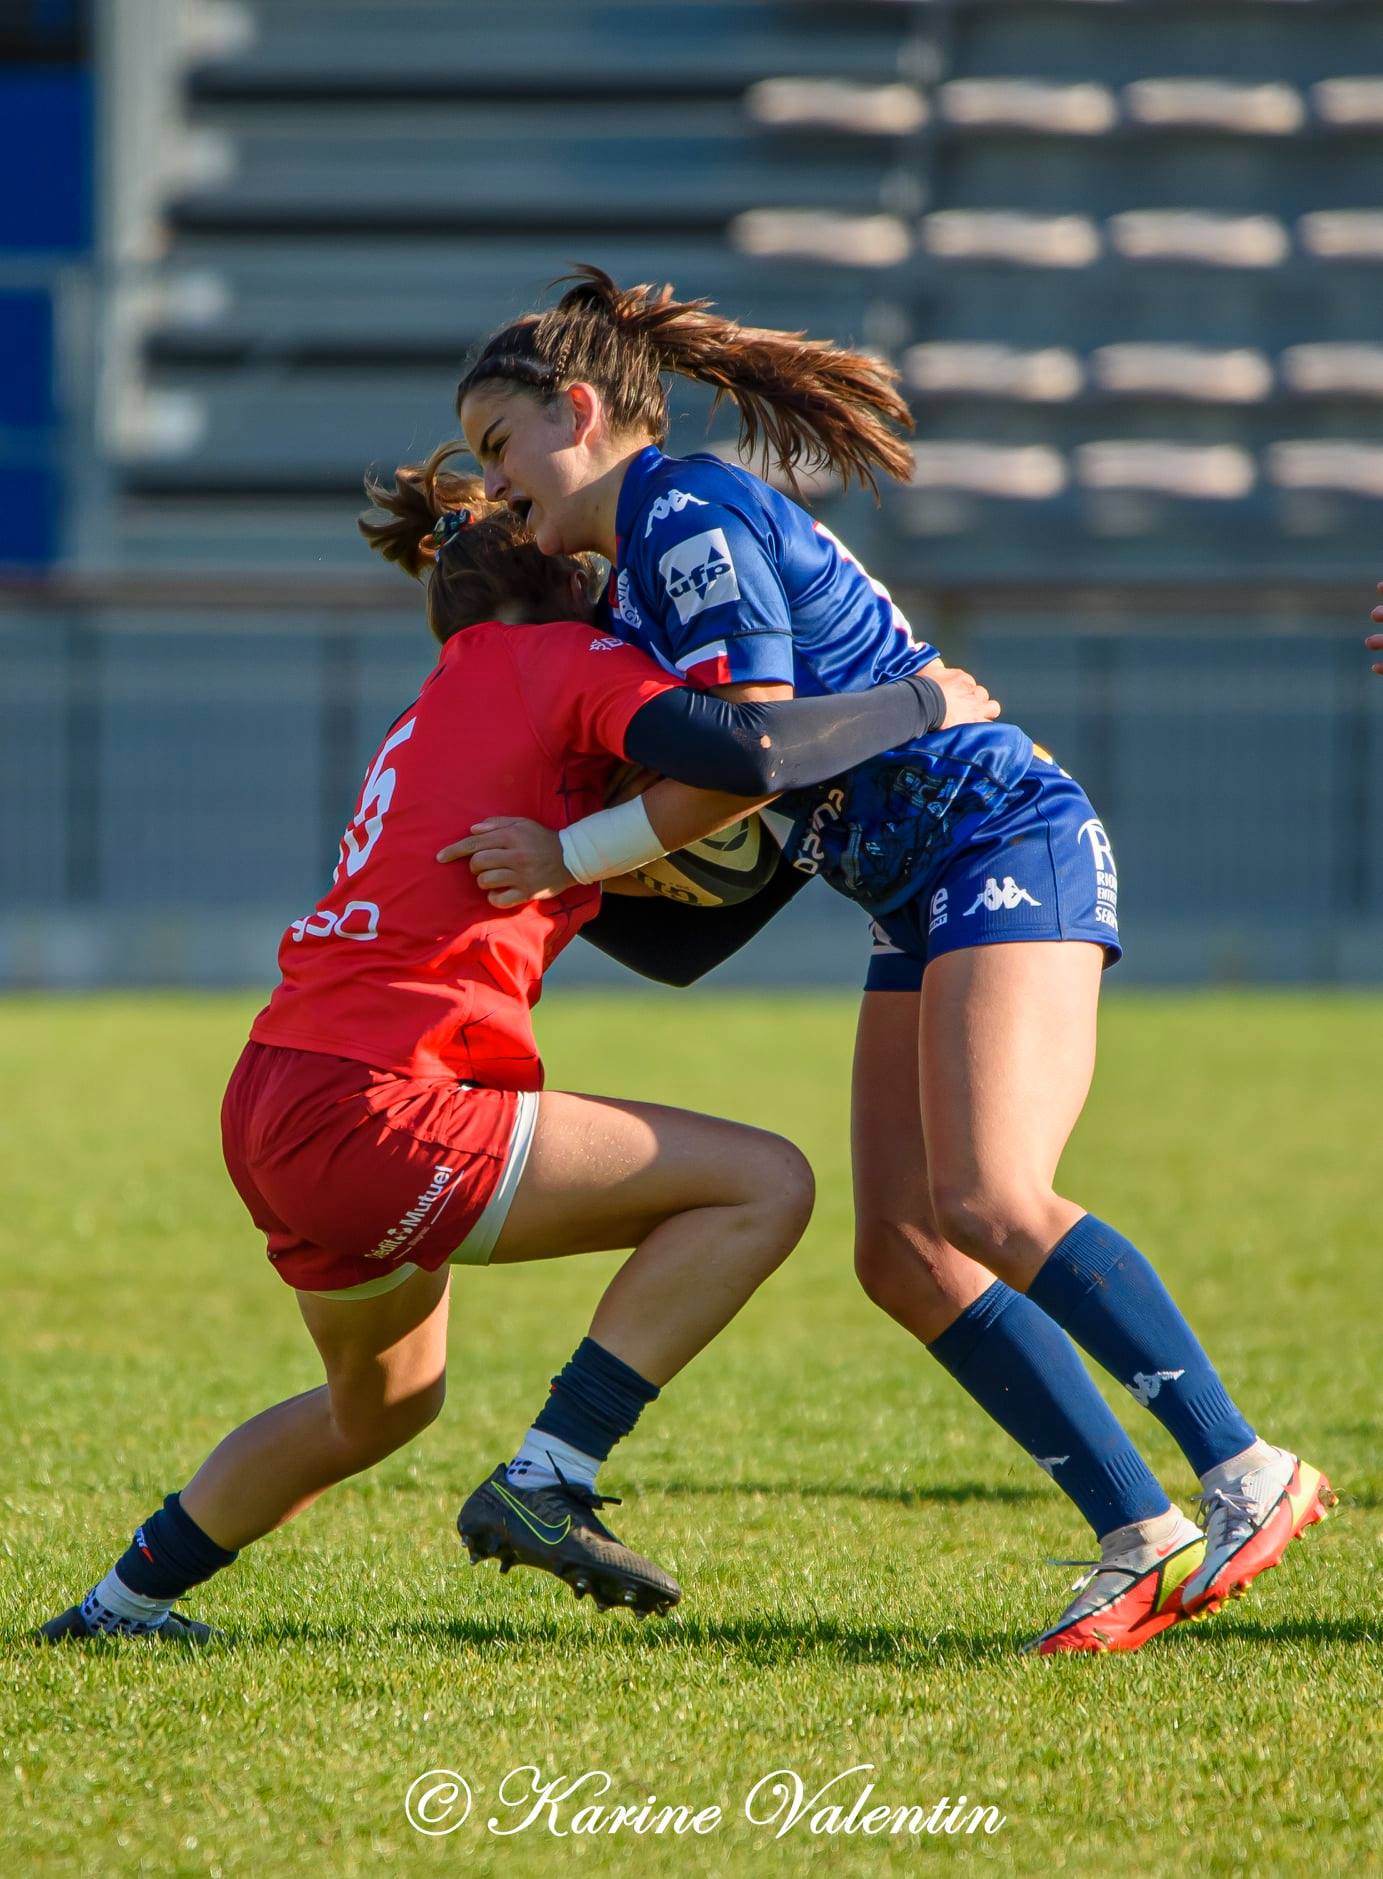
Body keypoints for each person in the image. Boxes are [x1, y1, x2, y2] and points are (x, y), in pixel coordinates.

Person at [435, 267, 1334, 1654]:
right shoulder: (642, 569)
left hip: (996, 838)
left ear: (577, 409)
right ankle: (1138, 1531)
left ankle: (1241, 1467)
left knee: (987, 1195)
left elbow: (751, 749)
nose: (499, 487)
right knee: (905, 1249)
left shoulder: (682, 517)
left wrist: (570, 856)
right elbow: (725, 860)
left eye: (502, 450)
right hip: (915, 887)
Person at [36, 466, 993, 1645]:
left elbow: (667, 940)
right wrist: (921, 703)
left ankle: (118, 1606)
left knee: (381, 1404)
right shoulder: (556, 661)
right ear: (571, 587)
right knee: (764, 1183)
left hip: (279, 1086)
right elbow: (742, 747)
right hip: (384, 1104)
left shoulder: (441, 697)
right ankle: (549, 1475)